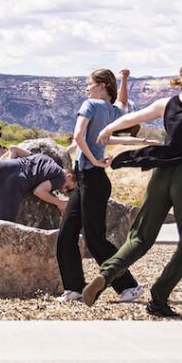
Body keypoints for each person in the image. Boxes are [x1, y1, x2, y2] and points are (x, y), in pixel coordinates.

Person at [82, 21, 182, 318]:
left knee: (139, 236)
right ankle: (159, 297)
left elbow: (132, 118)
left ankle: (106, 275)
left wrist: (107, 130)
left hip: (162, 172)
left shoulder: (165, 103)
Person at [55, 69, 157, 304]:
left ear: (101, 86)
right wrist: (124, 80)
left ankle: (129, 286)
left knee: (95, 239)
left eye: (90, 83)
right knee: (67, 232)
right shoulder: (112, 110)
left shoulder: (90, 104)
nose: (87, 88)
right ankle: (74, 288)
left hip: (92, 178)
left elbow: (78, 136)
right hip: (87, 180)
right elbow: (122, 102)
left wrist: (93, 160)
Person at [0, 134, 76, 222]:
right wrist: (59, 203)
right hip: (15, 184)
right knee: (4, 224)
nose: (64, 189)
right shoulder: (60, 177)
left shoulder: (45, 159)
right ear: (69, 176)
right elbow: (39, 191)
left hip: (5, 167)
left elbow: (14, 149)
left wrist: (9, 164)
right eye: (68, 187)